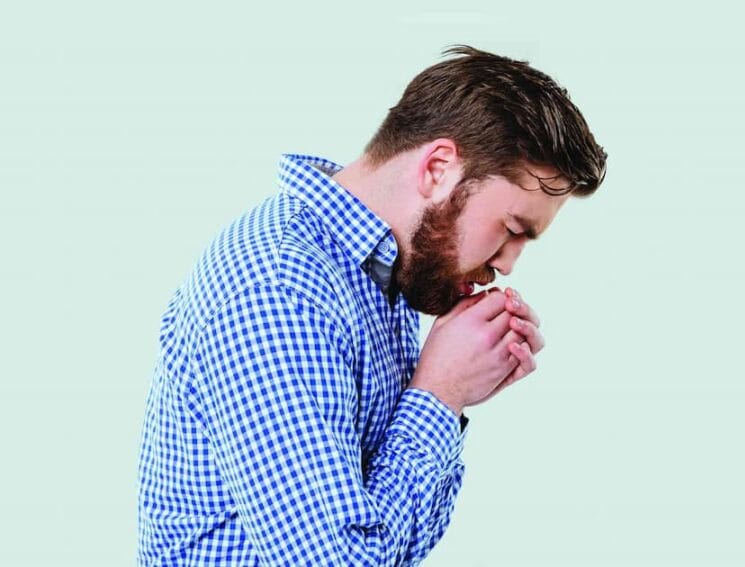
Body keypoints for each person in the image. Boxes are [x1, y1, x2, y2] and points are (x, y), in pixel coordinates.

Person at [137, 45, 607, 565]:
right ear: (438, 169)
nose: (509, 263)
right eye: (512, 228)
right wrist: (440, 394)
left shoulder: (385, 271)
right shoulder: (280, 287)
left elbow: (393, 545)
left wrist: (448, 398)